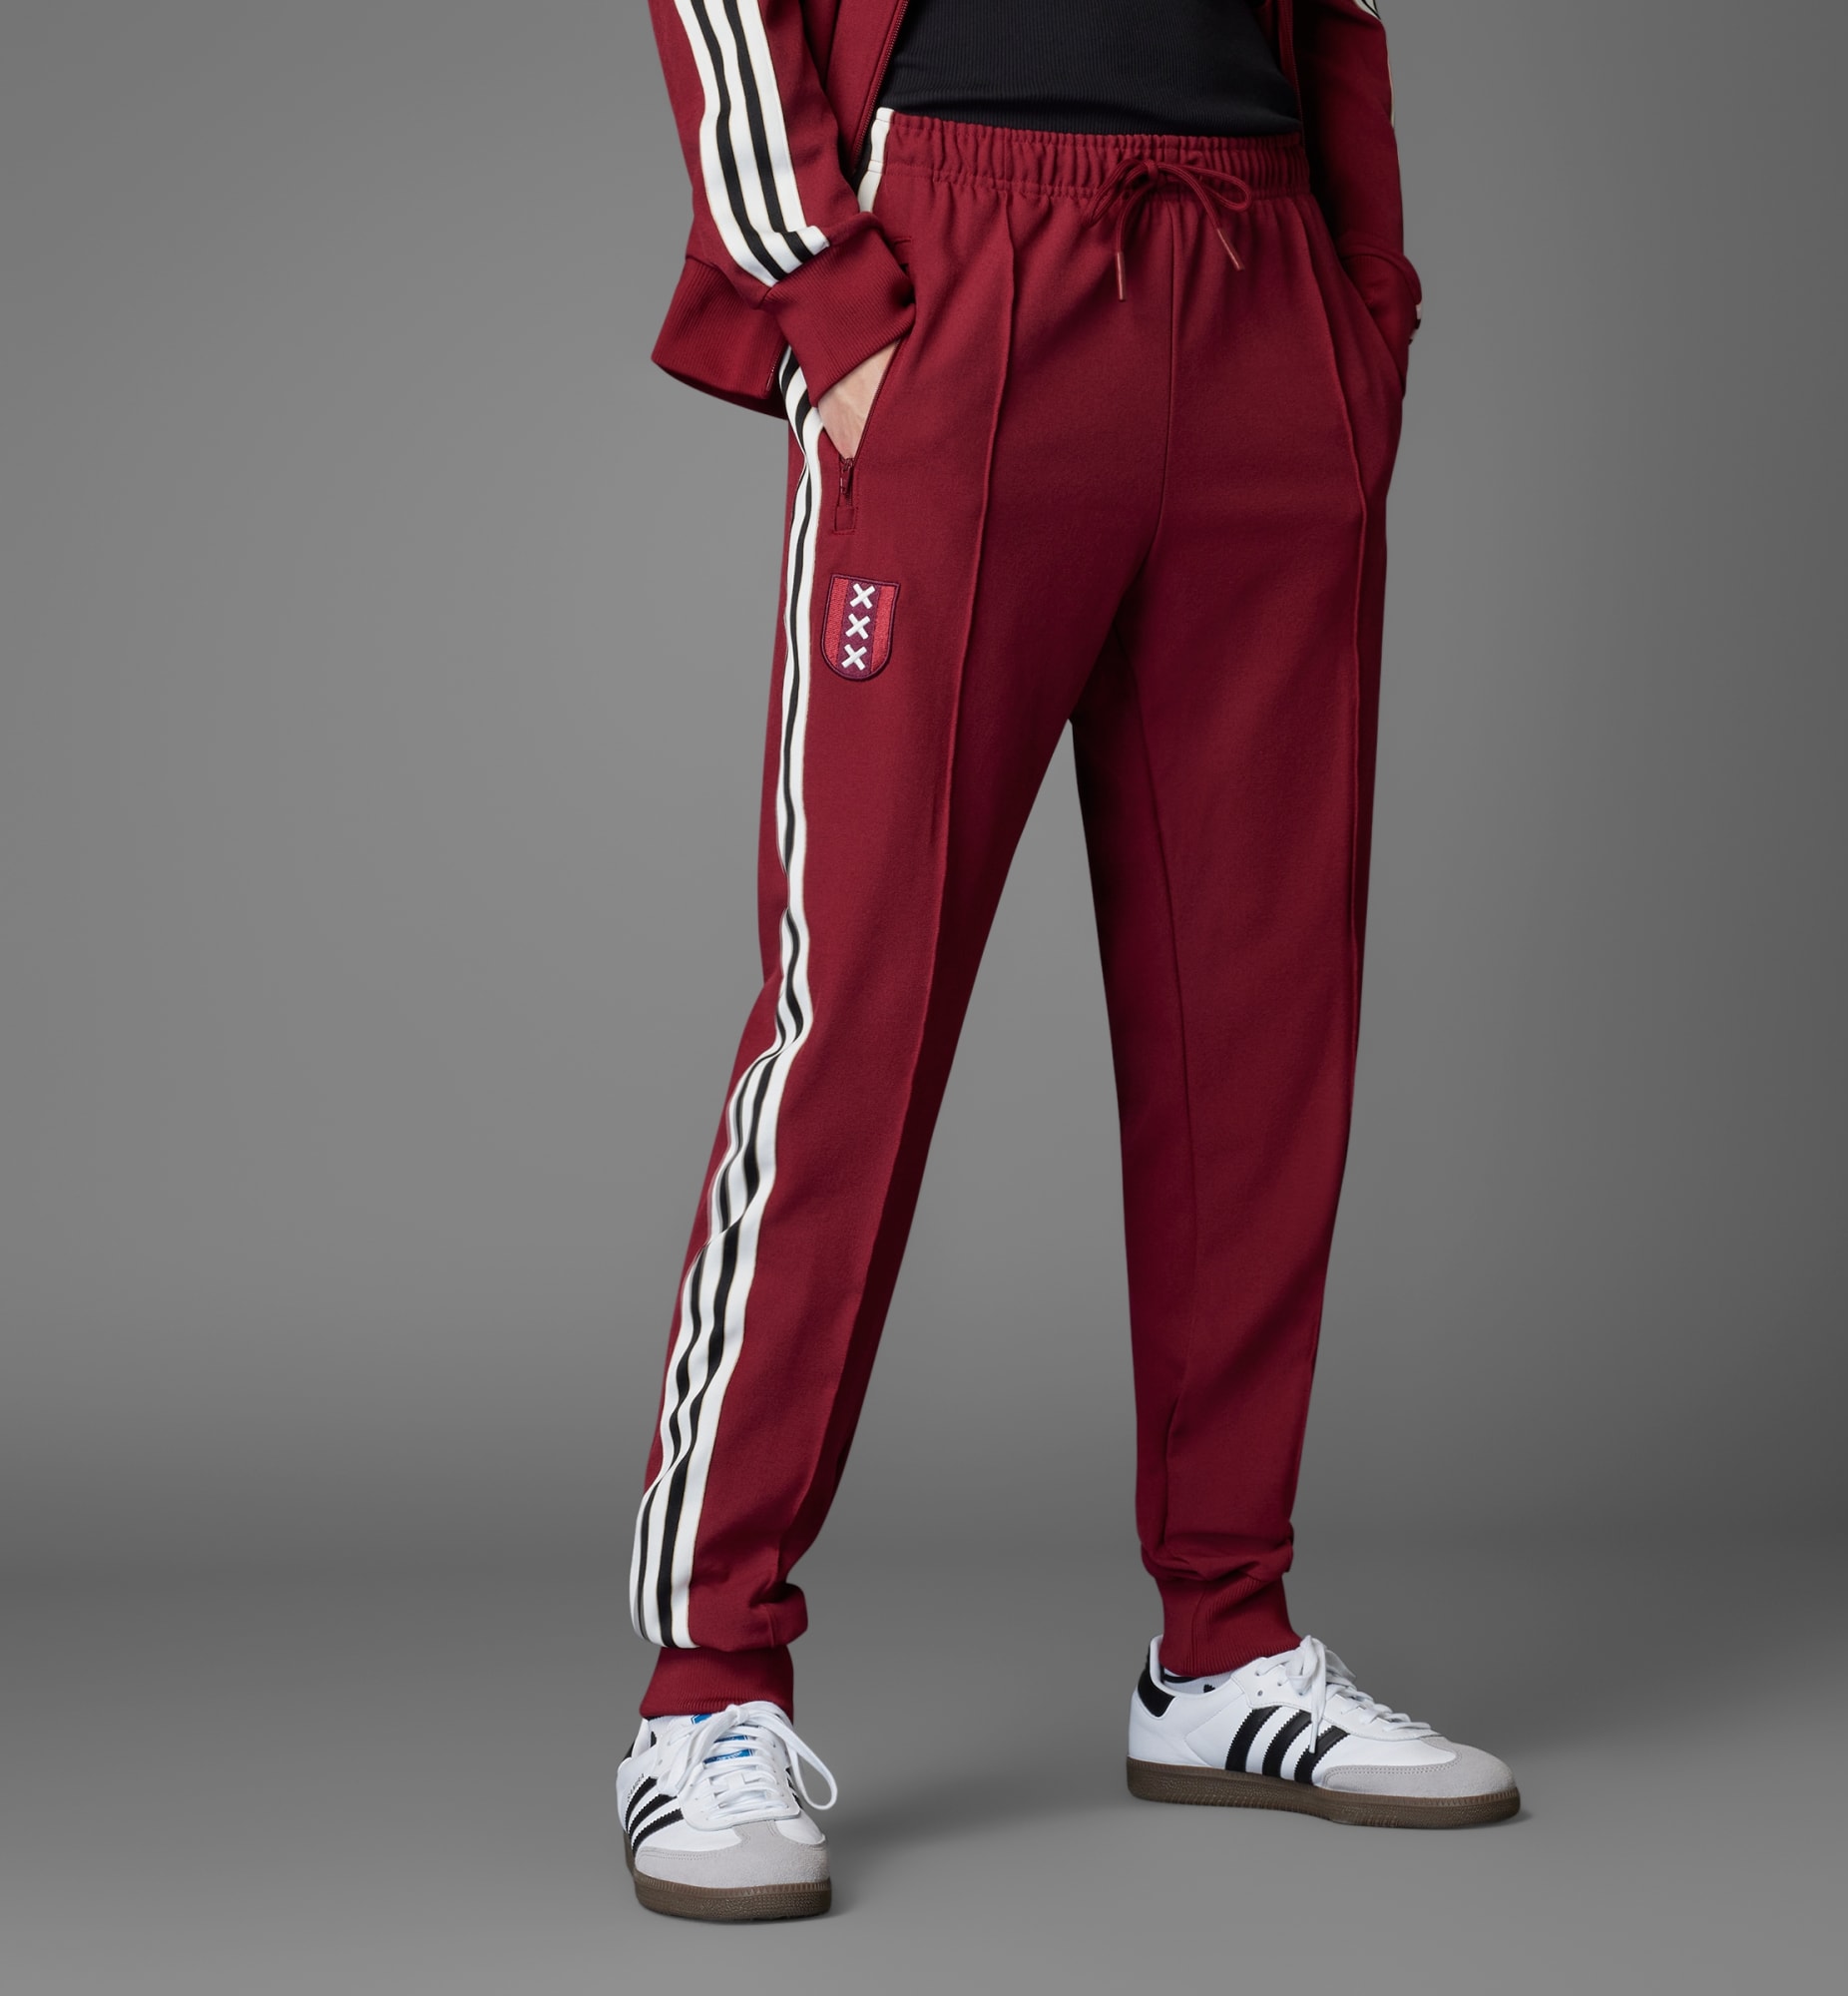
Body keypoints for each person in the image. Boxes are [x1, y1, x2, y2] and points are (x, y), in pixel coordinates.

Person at [614, 0, 1518, 1923]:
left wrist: (1361, 310)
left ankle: (1225, 1645)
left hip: (1261, 272)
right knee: (855, 1011)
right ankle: (708, 1682)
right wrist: (826, 296)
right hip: (959, 258)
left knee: (1260, 1011)